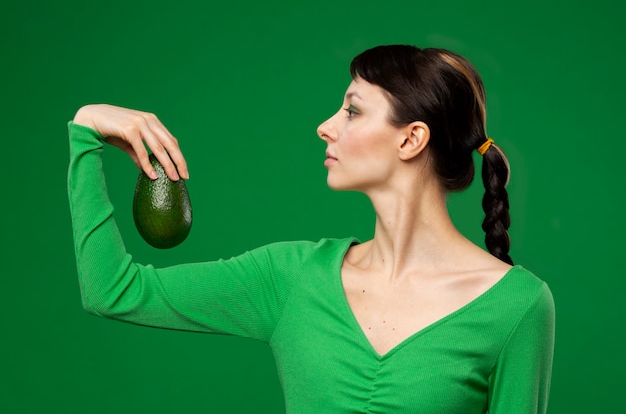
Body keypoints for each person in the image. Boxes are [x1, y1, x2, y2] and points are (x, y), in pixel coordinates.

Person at [67, 44, 555, 413]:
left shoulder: (517, 306)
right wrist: (86, 131)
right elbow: (112, 290)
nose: (326, 126)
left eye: (352, 110)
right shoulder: (290, 277)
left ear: (411, 139)